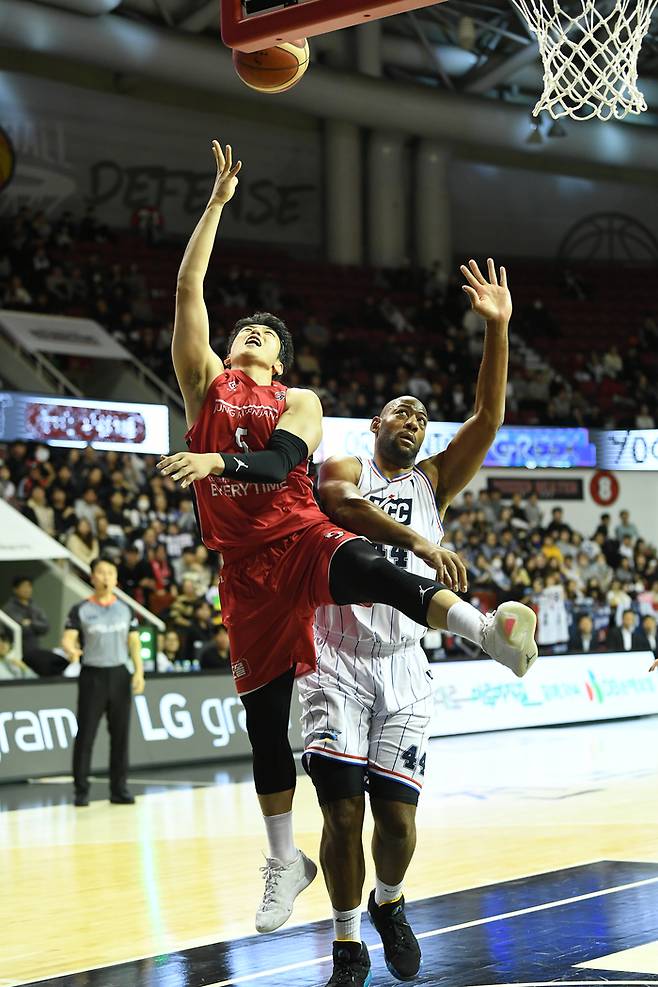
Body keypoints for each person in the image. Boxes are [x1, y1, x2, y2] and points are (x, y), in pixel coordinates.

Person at [157, 140, 538, 938]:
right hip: (255, 580)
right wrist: (218, 204)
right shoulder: (213, 391)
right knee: (265, 727)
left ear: (282, 360)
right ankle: (286, 870)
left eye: (266, 333)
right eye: (245, 331)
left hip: (305, 551)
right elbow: (190, 285)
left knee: (366, 564)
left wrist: (215, 458)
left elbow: (280, 463)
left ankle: (487, 634)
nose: (252, 334)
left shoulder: (302, 401)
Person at [297, 257, 533, 986]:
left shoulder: (434, 480)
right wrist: (421, 541)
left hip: (404, 663)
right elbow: (342, 511)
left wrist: (496, 329)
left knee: (395, 822)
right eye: (401, 411)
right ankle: (344, 943)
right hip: (333, 657)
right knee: (341, 817)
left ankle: (388, 902)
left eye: (423, 417)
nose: (414, 420)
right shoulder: (340, 464)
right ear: (375, 424)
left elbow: (488, 417)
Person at [61, 558, 145, 806]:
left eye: (110, 572)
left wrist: (138, 672)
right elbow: (68, 638)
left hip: (119, 674)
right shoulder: (81, 609)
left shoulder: (125, 609)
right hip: (93, 676)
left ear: (116, 578)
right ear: (92, 577)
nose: (106, 577)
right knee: (86, 735)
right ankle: (81, 791)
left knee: (120, 736)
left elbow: (134, 643)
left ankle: (119, 789)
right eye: (101, 572)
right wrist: (71, 649)